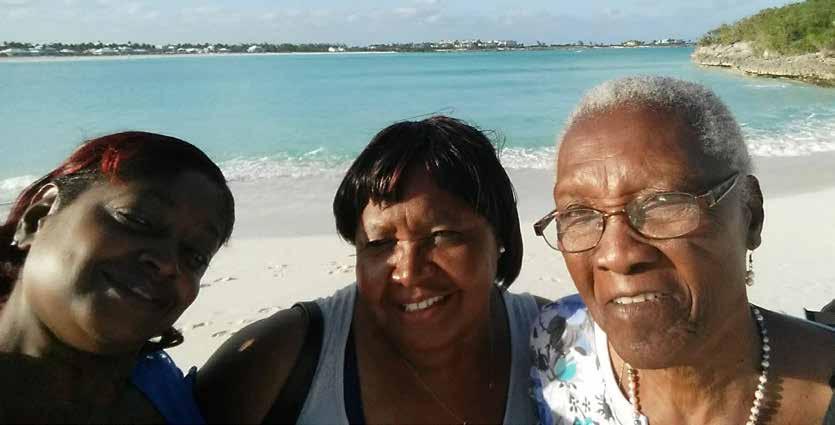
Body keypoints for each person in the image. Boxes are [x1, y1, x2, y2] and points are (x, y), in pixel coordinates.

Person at [198, 116, 546, 424]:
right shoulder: (276, 361)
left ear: (500, 236)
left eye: (441, 236)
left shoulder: (559, 345)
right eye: (380, 243)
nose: (408, 272)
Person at [530, 76, 835, 425]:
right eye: (579, 214)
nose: (616, 255)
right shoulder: (555, 343)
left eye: (662, 203)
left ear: (750, 215)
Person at [0, 131, 235, 423]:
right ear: (39, 217)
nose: (167, 264)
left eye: (196, 256)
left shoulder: (186, 398)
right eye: (137, 219)